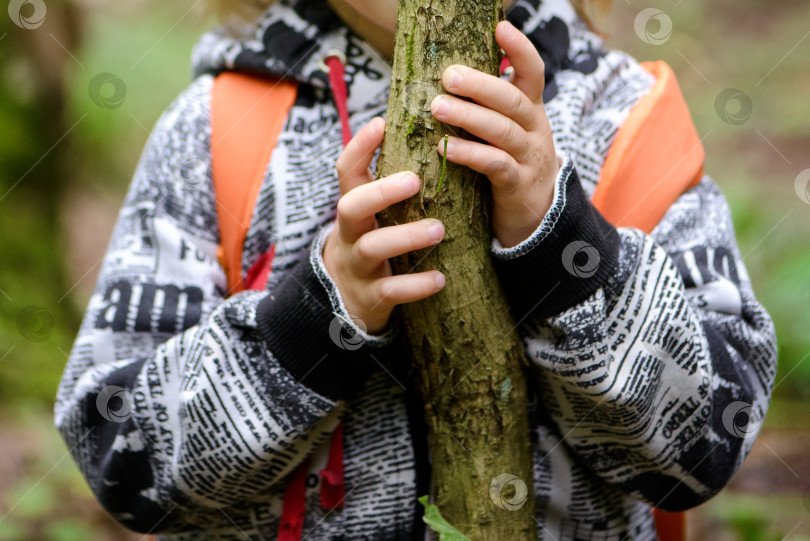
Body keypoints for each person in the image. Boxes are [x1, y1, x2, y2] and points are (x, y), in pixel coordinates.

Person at [55, 0, 777, 539]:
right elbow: (124, 456)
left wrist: (562, 244)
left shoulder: (621, 120)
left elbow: (704, 442)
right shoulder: (216, 133)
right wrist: (313, 323)